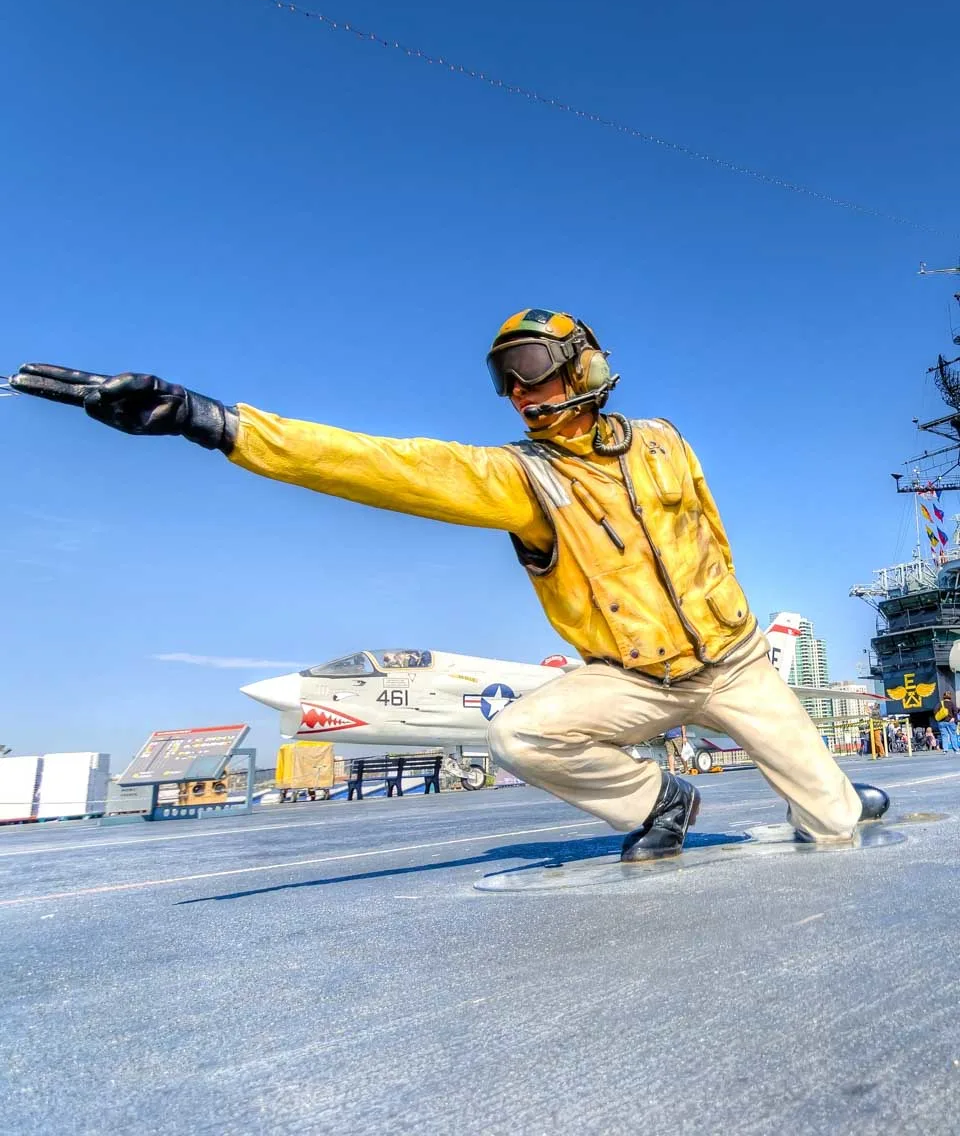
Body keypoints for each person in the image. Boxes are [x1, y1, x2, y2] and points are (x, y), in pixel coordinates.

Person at [10, 308, 889, 861]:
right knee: (521, 736)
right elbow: (380, 464)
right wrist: (210, 422)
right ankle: (660, 797)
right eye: (504, 377)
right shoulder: (521, 478)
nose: (516, 390)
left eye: (533, 366)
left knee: (835, 831)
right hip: (627, 677)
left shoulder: (665, 439)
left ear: (582, 365)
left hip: (735, 664)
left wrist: (732, 632)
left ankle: (838, 792)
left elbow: (713, 538)